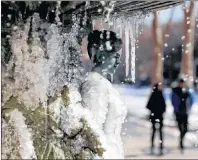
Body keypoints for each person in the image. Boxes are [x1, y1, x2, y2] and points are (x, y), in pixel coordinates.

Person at [80, 30, 127, 159]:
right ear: (101, 54)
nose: (118, 62)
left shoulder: (103, 83)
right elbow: (92, 133)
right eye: (115, 57)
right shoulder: (95, 85)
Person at [171, 79, 194, 153]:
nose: (182, 85)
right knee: (181, 128)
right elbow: (173, 101)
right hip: (178, 113)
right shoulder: (176, 91)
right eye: (181, 83)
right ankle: (181, 143)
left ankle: (181, 140)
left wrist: (189, 107)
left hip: (185, 113)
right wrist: (176, 109)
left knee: (186, 129)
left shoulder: (186, 91)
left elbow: (191, 100)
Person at [146, 83, 166, 155]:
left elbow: (148, 106)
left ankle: (156, 145)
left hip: (156, 116)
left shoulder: (155, 95)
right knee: (157, 131)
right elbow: (164, 106)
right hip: (157, 116)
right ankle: (157, 145)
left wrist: (154, 110)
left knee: (156, 131)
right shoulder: (158, 95)